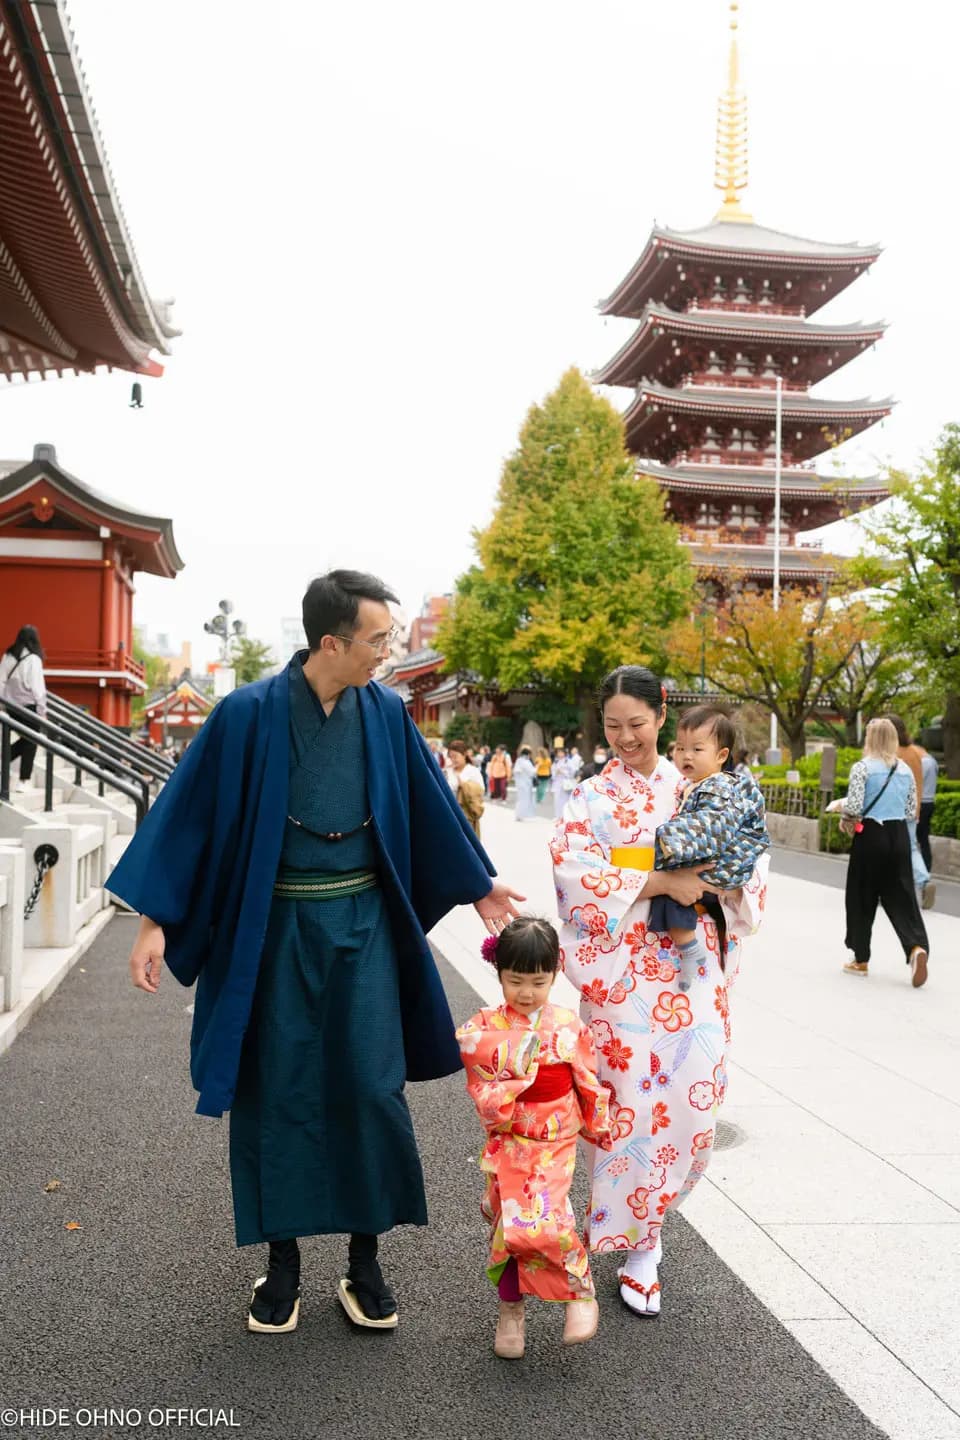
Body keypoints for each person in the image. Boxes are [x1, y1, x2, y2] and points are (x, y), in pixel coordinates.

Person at [107, 570, 524, 1336]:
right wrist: (154, 918)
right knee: (279, 1088)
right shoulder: (246, 715)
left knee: (369, 1084)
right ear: (331, 641)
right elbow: (188, 815)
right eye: (377, 641)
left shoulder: (387, 714)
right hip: (274, 928)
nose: (387, 654)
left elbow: (431, 808)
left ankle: (364, 1261)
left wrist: (479, 885)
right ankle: (284, 1262)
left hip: (361, 922)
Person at [550, 665, 766, 1319]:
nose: (625, 739)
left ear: (662, 716)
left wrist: (717, 879)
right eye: (613, 727)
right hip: (620, 976)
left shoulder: (698, 785)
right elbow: (573, 872)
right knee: (628, 1111)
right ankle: (637, 1245)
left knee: (695, 1105)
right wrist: (659, 882)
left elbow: (747, 860)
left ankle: (653, 1226)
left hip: (692, 970)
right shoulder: (589, 799)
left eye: (637, 725)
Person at [455, 917, 612, 1359]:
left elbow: (586, 1077)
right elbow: (477, 1069)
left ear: (555, 974)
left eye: (538, 982)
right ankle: (511, 1312)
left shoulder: (568, 1025)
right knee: (510, 1226)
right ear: (498, 972)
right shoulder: (486, 1025)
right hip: (511, 1138)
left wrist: (597, 1123)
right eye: (514, 980)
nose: (526, 993)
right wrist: (514, 1076)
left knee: (548, 1216)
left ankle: (580, 1294)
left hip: (554, 1138)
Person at [650, 706, 769, 992]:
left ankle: (689, 948)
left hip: (719, 867)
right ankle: (689, 948)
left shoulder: (718, 788)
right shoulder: (702, 784)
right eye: (680, 748)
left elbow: (709, 829)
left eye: (697, 749)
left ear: (721, 756)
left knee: (668, 893)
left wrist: (662, 843)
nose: (686, 755)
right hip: (722, 864)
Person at [833, 717, 930, 986]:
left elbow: (854, 807)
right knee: (902, 896)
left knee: (861, 897)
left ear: (870, 739)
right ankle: (915, 947)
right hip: (898, 835)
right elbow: (911, 809)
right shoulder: (905, 770)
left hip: (870, 836)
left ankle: (860, 959)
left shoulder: (862, 768)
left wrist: (844, 816)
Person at [886, 715, 935, 909]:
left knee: (887, 848)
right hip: (912, 808)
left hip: (891, 809)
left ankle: (887, 890)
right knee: (912, 847)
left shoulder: (891, 754)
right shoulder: (915, 753)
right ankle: (923, 880)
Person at [0, 625, 47, 791]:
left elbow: (1, 680)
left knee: (27, 739)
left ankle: (4, 760)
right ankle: (24, 780)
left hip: (12, 707)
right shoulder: (34, 659)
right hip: (29, 707)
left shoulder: (8, 655)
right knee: (31, 740)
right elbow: (37, 688)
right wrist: (42, 710)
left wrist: (3, 703)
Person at [446, 740, 486, 837]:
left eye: (455, 756)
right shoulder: (447, 771)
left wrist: (464, 785)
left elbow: (480, 791)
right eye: (450, 757)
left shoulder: (473, 771)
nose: (453, 759)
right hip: (449, 814)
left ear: (464, 755)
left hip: (467, 815)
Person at [917, 746, 938, 877]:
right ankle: (927, 867)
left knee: (913, 838)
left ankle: (921, 871)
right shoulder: (933, 761)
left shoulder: (923, 762)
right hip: (930, 801)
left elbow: (917, 781)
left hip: (921, 802)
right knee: (924, 838)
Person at [513, 746, 536, 821]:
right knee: (524, 799)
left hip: (520, 783)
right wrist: (537, 768)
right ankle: (521, 815)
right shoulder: (526, 762)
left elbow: (516, 771)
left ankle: (518, 815)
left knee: (520, 799)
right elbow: (532, 772)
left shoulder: (518, 760)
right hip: (525, 783)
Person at [551, 749, 576, 819]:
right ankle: (557, 816)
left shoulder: (568, 761)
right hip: (557, 782)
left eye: (561, 752)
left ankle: (565, 816)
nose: (560, 754)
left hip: (566, 783)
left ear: (564, 753)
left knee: (565, 800)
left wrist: (563, 772)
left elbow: (573, 771)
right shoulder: (556, 761)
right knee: (556, 799)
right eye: (558, 752)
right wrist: (556, 772)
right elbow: (552, 770)